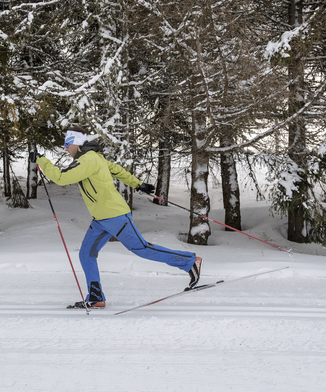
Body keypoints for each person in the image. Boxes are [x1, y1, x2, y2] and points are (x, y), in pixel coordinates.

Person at [31, 125, 203, 309]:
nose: (65, 148)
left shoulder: (88, 161)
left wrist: (41, 160)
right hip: (101, 219)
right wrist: (138, 184)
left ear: (77, 143)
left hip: (115, 216)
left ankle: (190, 262)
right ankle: (96, 297)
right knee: (86, 254)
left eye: (67, 143)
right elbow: (117, 170)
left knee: (141, 248)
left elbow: (60, 178)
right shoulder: (95, 158)